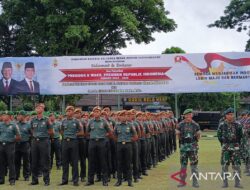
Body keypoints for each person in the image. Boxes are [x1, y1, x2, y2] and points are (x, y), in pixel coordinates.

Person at [85, 106, 113, 186]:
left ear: (100, 113)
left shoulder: (104, 121)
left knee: (103, 161)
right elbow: (87, 132)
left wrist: (103, 135)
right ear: (93, 113)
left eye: (98, 111)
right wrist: (94, 136)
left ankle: (105, 180)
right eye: (95, 111)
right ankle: (90, 180)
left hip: (102, 142)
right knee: (91, 161)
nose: (96, 113)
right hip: (92, 142)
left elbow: (110, 131)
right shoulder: (90, 121)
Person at [217, 108, 243, 188]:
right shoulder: (222, 124)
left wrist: (236, 143)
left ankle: (237, 183)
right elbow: (219, 136)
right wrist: (224, 143)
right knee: (225, 165)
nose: (231, 116)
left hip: (235, 147)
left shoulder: (238, 124)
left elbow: (240, 135)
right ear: (226, 115)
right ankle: (225, 183)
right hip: (226, 148)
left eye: (232, 114)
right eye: (229, 114)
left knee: (237, 166)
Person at [30, 103, 54, 186]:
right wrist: (36, 135)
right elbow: (32, 130)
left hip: (44, 141)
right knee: (34, 161)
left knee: (45, 161)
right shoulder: (33, 120)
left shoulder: (47, 119)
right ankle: (34, 180)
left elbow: (51, 131)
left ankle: (46, 180)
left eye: (40, 107)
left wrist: (42, 134)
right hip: (35, 142)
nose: (38, 109)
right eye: (37, 107)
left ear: (43, 110)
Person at [176, 108, 201, 188]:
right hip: (184, 148)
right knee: (183, 166)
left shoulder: (196, 125)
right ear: (184, 116)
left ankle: (195, 182)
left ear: (192, 115)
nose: (188, 116)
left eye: (190, 115)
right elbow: (178, 136)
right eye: (187, 115)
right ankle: (182, 182)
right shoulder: (180, 125)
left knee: (194, 166)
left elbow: (198, 136)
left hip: (193, 148)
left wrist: (195, 141)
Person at [59, 106, 83, 186]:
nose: (69, 112)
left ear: (73, 112)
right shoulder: (63, 121)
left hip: (74, 142)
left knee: (74, 162)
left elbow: (81, 132)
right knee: (65, 161)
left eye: (71, 111)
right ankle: (64, 180)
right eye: (68, 111)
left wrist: (74, 135)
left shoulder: (76, 121)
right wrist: (66, 136)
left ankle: (75, 180)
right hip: (65, 142)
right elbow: (61, 131)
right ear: (66, 112)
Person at [114, 110, 138, 187]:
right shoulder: (117, 125)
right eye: (122, 116)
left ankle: (129, 181)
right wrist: (119, 141)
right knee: (119, 163)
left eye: (125, 116)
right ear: (120, 117)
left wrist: (128, 140)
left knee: (128, 163)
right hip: (119, 145)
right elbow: (114, 136)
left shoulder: (130, 125)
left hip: (128, 145)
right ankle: (119, 181)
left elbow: (135, 136)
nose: (123, 117)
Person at [0, 111, 21, 185]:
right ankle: (1, 179)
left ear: (8, 116)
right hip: (1, 145)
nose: (3, 116)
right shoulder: (0, 124)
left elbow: (18, 136)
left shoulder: (14, 125)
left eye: (4, 115)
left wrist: (12, 141)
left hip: (10, 145)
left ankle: (12, 180)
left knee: (11, 162)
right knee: (1, 163)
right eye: (2, 115)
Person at [15, 110, 31, 181]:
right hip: (16, 144)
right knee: (16, 160)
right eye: (18, 115)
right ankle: (16, 175)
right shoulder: (15, 124)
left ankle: (26, 176)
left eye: (20, 115)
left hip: (25, 144)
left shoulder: (28, 124)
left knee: (26, 161)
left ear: (24, 116)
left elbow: (32, 134)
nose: (18, 116)